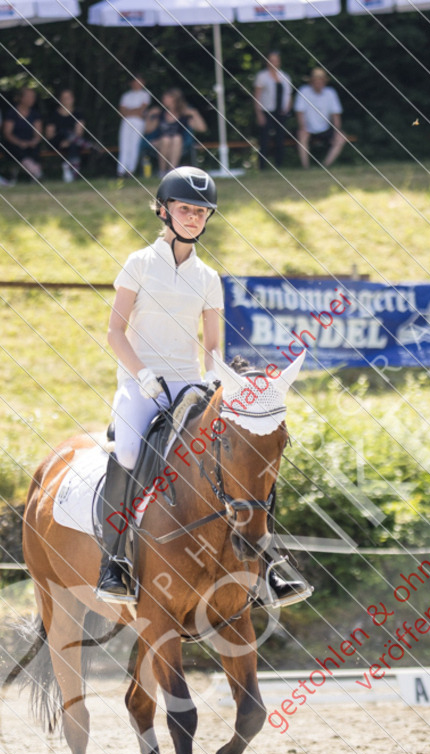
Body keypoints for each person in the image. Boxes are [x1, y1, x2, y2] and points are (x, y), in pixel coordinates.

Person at [95, 166, 308, 609]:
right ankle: (114, 561)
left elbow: (212, 345)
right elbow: (115, 332)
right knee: (131, 451)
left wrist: (215, 376)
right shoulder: (138, 263)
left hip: (191, 384)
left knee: (248, 450)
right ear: (164, 209)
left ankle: (268, 564)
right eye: (185, 209)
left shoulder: (208, 278)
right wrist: (142, 374)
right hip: (142, 384)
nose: (193, 217)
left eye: (201, 211)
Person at [140, 88, 206, 176]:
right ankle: (162, 171)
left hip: (178, 143)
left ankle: (172, 172)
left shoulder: (183, 115)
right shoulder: (161, 113)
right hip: (160, 141)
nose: (163, 99)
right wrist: (149, 115)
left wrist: (195, 113)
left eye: (166, 97)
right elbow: (147, 130)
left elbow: (202, 128)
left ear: (174, 99)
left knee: (176, 138)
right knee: (166, 139)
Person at [294, 68, 346, 170]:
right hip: (308, 128)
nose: (318, 82)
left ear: (324, 81)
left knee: (341, 138)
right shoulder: (304, 91)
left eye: (321, 80)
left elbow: (336, 115)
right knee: (302, 135)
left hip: (325, 128)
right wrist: (303, 127)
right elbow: (299, 112)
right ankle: (306, 167)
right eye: (316, 80)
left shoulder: (331, 93)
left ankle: (325, 165)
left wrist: (337, 130)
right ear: (312, 81)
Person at [254, 51, 292, 170]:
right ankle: (262, 166)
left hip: (281, 112)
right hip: (267, 111)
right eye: (271, 60)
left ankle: (279, 165)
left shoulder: (285, 76)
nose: (273, 62)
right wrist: (259, 113)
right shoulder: (262, 76)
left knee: (280, 139)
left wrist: (287, 109)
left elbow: (289, 95)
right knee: (264, 140)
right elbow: (257, 96)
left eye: (276, 60)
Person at [2, 87, 44, 180]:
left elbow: (38, 133)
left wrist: (34, 141)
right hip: (15, 143)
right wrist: (20, 143)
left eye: (33, 97)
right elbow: (7, 133)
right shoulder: (12, 113)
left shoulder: (35, 114)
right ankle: (36, 172)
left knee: (35, 148)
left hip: (30, 142)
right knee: (17, 149)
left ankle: (35, 172)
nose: (32, 99)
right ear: (21, 98)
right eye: (29, 97)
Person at [45, 89, 86, 183]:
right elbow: (49, 135)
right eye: (65, 98)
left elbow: (79, 132)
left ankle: (72, 174)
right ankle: (87, 145)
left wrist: (69, 141)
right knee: (64, 132)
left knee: (73, 144)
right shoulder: (53, 115)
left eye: (69, 97)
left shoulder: (78, 114)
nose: (67, 100)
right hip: (57, 142)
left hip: (73, 142)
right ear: (60, 100)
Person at [117, 75, 150, 178]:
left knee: (134, 145)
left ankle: (130, 170)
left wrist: (129, 111)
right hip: (126, 122)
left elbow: (141, 110)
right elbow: (121, 111)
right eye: (135, 81)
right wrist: (133, 111)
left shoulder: (145, 94)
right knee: (124, 145)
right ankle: (121, 170)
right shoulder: (126, 96)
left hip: (138, 122)